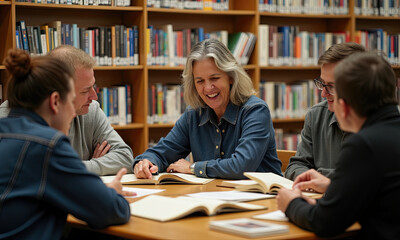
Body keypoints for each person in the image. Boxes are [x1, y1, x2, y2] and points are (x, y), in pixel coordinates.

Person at [0, 49, 133, 240]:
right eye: (71, 101)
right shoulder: (47, 146)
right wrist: (84, 178)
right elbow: (114, 210)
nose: (73, 113)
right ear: (55, 102)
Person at [277, 52, 400, 239]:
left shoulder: (363, 145)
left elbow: (324, 223)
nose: (324, 95)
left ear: (344, 107)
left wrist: (291, 203)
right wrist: (333, 186)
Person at [133, 38, 281, 180]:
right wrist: (146, 163)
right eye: (200, 81)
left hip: (264, 199)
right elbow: (163, 152)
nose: (208, 88)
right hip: (213, 198)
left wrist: (193, 168)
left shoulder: (255, 111)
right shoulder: (194, 114)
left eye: (214, 78)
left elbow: (241, 166)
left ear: (231, 77)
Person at [0, 45, 134, 176]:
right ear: (58, 94)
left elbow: (125, 158)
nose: (94, 97)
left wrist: (81, 167)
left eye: (93, 86)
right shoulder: (7, 119)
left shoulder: (90, 110)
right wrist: (81, 167)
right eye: (85, 90)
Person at [284, 42, 366, 180]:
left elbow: (368, 178)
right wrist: (318, 178)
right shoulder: (316, 116)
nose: (323, 94)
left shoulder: (380, 123)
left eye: (331, 87)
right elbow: (295, 166)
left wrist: (321, 176)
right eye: (322, 84)